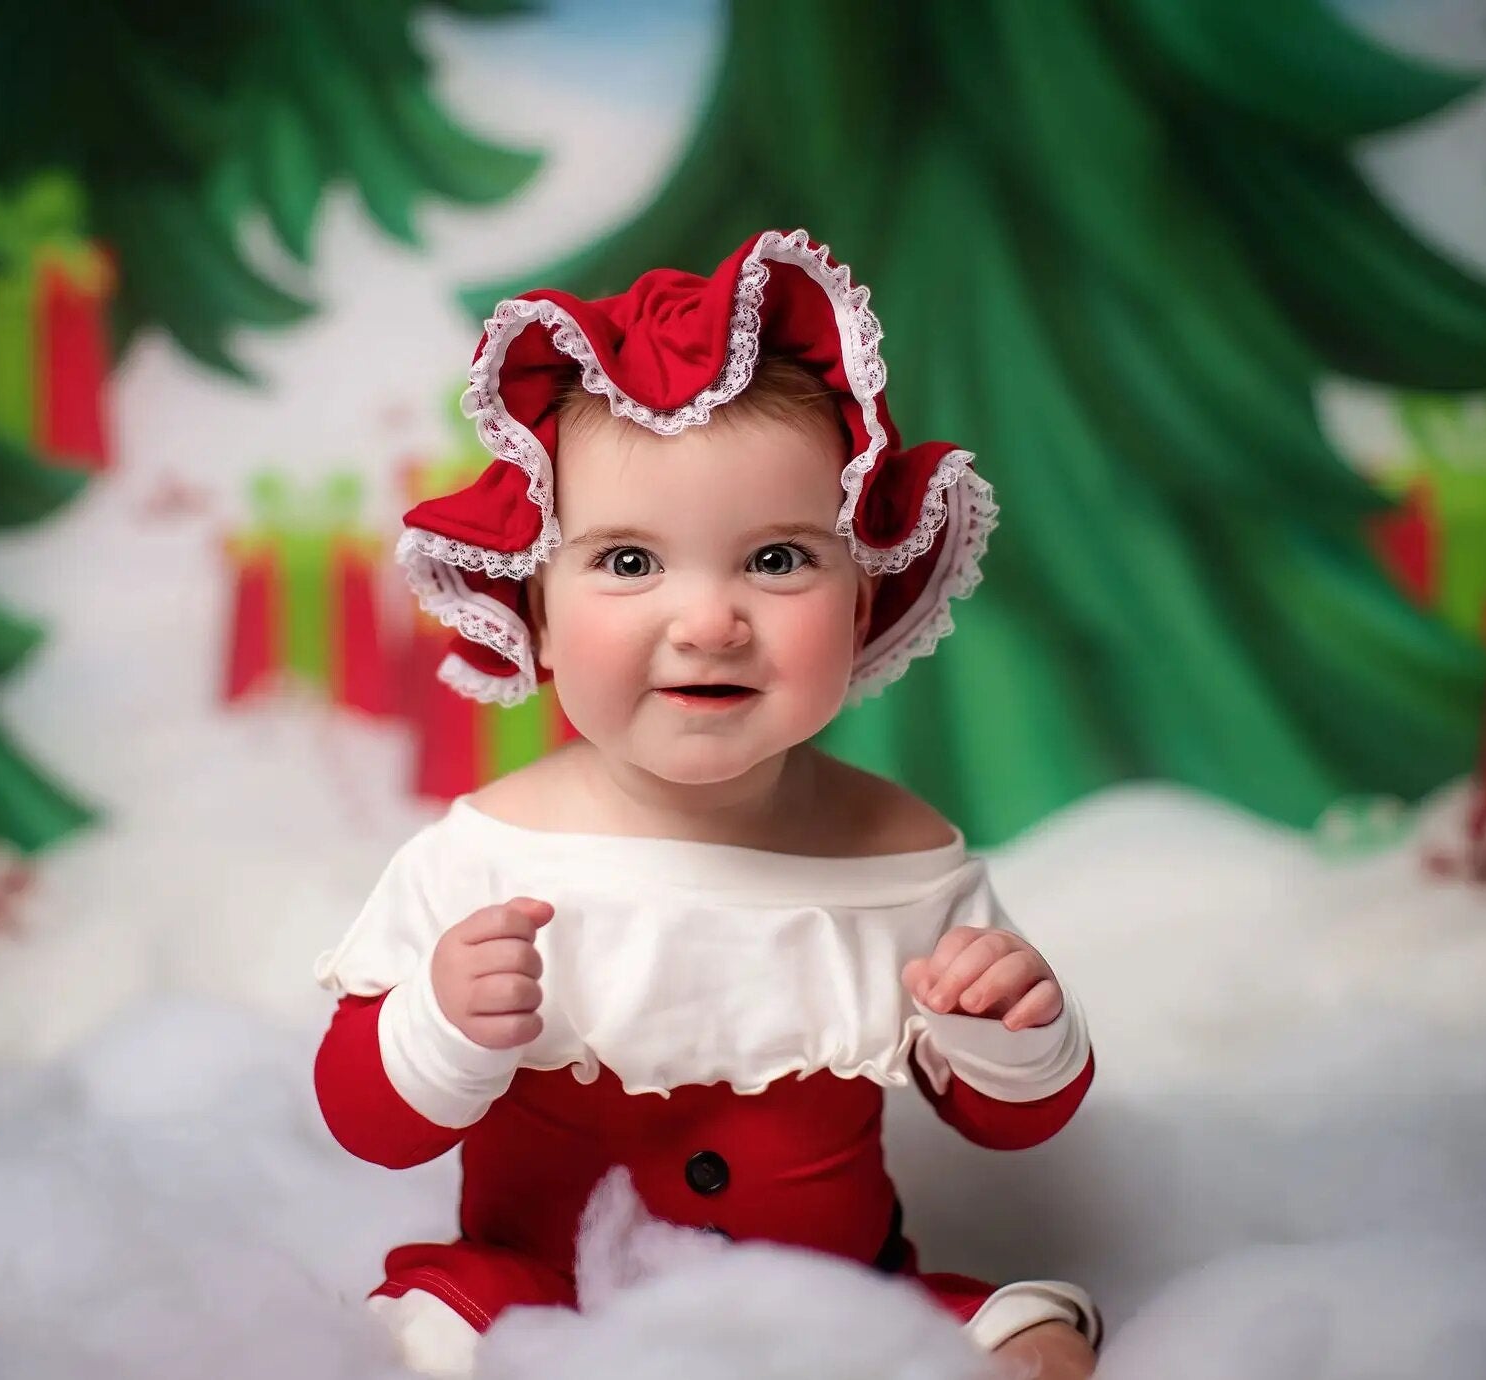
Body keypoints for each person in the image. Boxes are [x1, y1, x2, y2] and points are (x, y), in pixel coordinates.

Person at [314, 229, 1101, 1379]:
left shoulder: (901, 853)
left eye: (777, 560)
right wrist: (437, 1024)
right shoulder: (489, 850)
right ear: (530, 609)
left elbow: (1006, 1119)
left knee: (1024, 1334)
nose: (709, 622)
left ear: (862, 597)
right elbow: (367, 1124)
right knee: (440, 1327)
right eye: (628, 563)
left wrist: (1010, 1030)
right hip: (547, 1289)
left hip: (835, 1292)